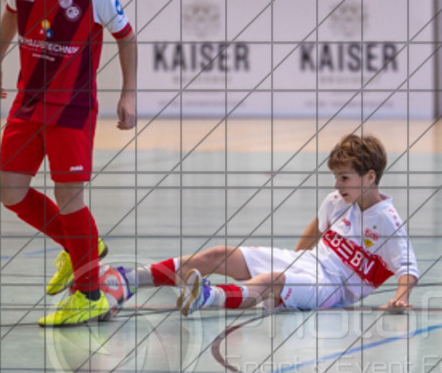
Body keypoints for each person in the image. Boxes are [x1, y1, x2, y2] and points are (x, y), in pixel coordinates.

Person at [0, 0, 137, 328]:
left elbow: (126, 37)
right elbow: (11, 14)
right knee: (7, 190)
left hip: (72, 106)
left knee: (70, 196)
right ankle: (82, 245)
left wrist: (128, 93)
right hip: (28, 101)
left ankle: (90, 295)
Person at [114, 134, 419, 317]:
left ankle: (207, 297)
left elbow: (408, 268)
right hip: (309, 264)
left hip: (332, 290)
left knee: (272, 281)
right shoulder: (337, 201)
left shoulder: (386, 220)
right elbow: (316, 228)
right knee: (219, 254)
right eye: (336, 177)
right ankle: (128, 280)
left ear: (370, 177)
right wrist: (297, 259)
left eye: (344, 178)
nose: (337, 184)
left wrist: (401, 297)